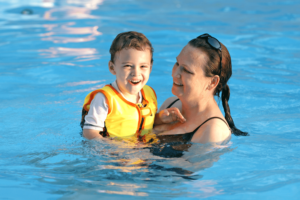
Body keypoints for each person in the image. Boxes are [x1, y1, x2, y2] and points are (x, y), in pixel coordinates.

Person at [80, 31, 185, 141]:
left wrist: (160, 119)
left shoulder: (149, 93)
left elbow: (143, 122)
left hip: (143, 149)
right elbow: (89, 133)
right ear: (112, 67)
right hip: (115, 155)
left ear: (151, 67)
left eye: (143, 66)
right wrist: (114, 149)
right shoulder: (105, 99)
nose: (136, 73)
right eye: (128, 66)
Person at [154, 33, 248, 144]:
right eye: (177, 63)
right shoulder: (170, 104)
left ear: (212, 82)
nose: (175, 74)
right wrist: (156, 120)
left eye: (187, 71)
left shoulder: (213, 131)